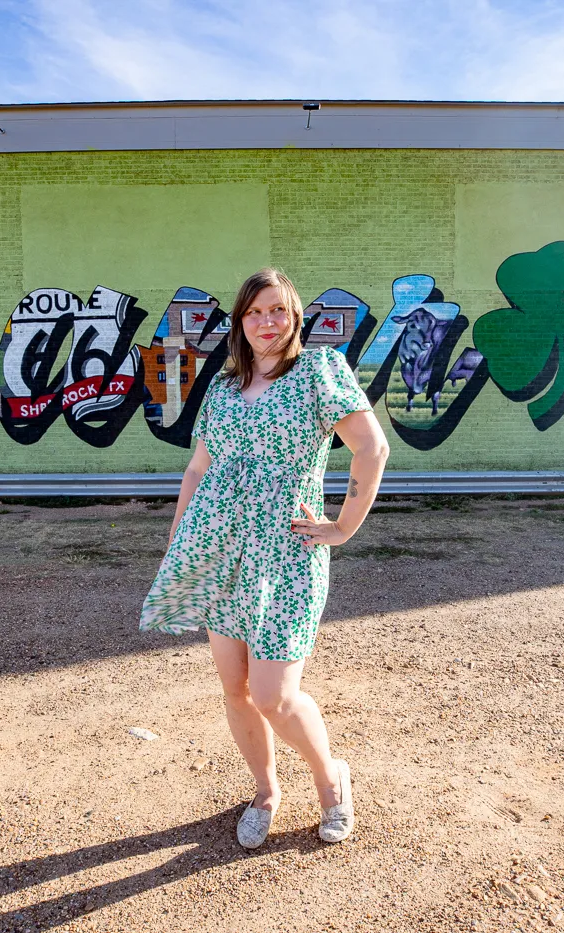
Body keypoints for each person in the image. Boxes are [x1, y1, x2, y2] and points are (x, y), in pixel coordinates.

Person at [140, 267, 390, 848]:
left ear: (295, 315)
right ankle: (265, 790)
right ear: (240, 322)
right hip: (221, 551)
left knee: (276, 693)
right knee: (236, 687)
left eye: (276, 309)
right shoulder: (224, 389)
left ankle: (332, 783)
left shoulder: (318, 373)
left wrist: (344, 526)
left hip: (288, 555)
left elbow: (371, 447)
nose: (266, 322)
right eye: (254, 312)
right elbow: (198, 469)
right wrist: (180, 544)